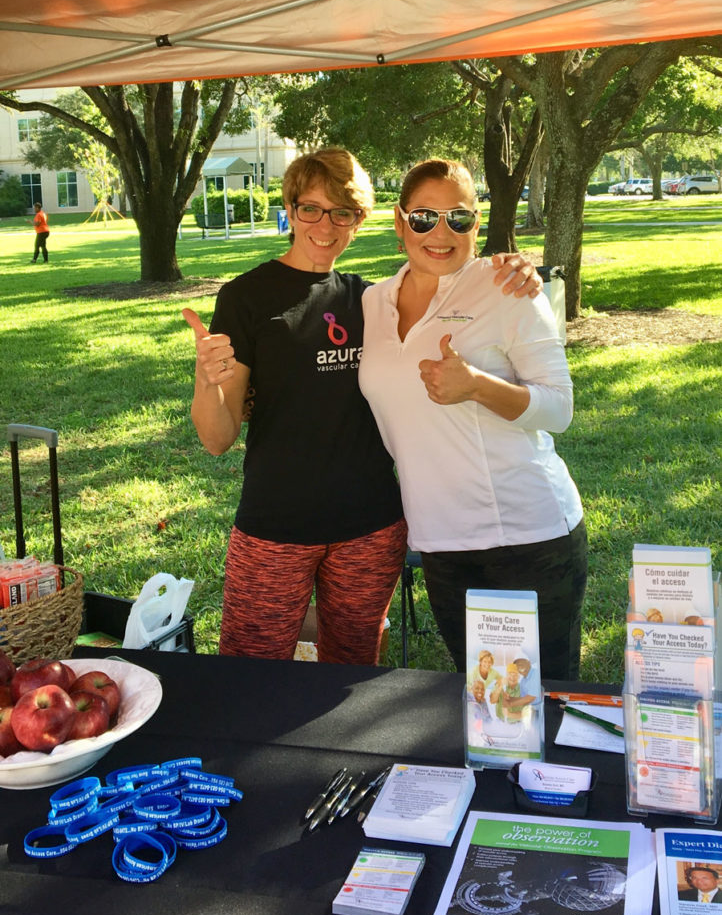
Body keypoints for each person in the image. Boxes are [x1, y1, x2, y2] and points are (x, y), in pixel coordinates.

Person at [184, 149, 541, 666]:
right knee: (248, 671)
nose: (325, 226)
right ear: (290, 208)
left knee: (350, 676)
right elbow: (217, 439)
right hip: (275, 524)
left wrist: (515, 267)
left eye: (342, 212)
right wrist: (206, 379)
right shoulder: (246, 298)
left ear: (361, 219)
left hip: (369, 528)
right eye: (310, 208)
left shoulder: (371, 300)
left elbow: (449, 272)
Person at [359, 157, 587, 681]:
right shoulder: (372, 302)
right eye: (424, 218)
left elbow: (559, 408)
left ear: (477, 224)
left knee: (541, 702)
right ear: (399, 222)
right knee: (486, 704)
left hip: (527, 536)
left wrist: (476, 387)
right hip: (440, 541)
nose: (441, 233)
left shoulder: (507, 289)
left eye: (458, 218)